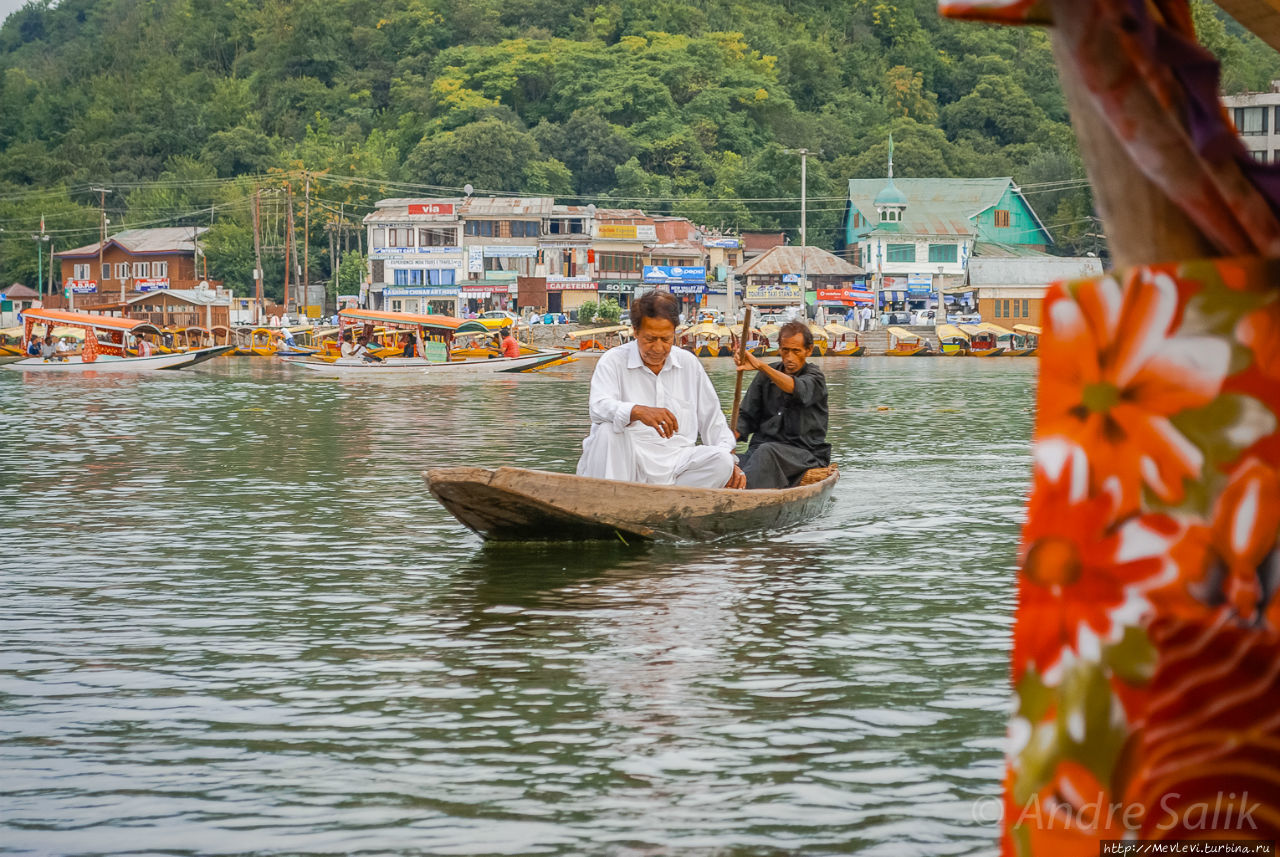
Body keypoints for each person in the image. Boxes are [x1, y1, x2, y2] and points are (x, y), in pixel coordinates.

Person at [577, 290, 746, 488]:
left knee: (721, 461)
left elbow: (713, 423)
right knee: (607, 430)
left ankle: (673, 505)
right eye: (650, 339)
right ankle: (616, 504)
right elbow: (598, 407)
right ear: (636, 331)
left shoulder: (688, 364)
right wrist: (636, 411)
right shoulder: (613, 360)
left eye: (665, 340)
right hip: (625, 463)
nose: (658, 348)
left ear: (674, 332)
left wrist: (731, 463)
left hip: (676, 464)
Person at [732, 320, 831, 490]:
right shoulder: (765, 376)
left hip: (803, 454)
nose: (790, 358)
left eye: (796, 351)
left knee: (767, 452)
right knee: (727, 462)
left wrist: (760, 366)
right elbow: (746, 418)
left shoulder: (815, 377)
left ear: (808, 350)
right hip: (760, 451)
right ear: (779, 349)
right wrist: (723, 445)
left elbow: (796, 388)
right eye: (785, 351)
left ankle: (741, 494)